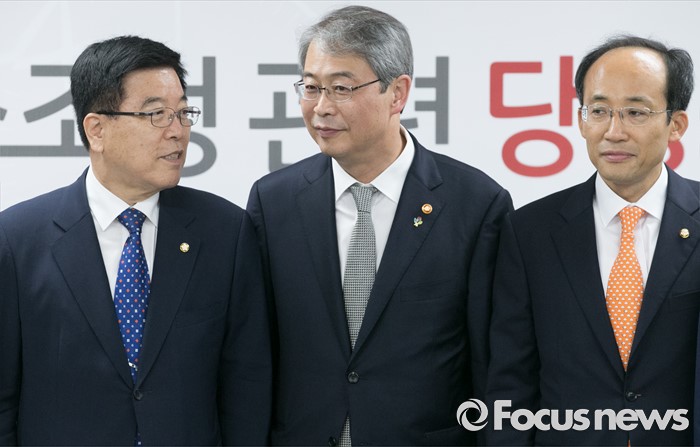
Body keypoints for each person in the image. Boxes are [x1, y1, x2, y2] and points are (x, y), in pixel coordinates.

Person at [246, 5, 512, 446]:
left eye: (341, 88)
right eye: (310, 87)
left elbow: (495, 365)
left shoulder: (476, 205)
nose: (321, 107)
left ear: (397, 93)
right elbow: (254, 356)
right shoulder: (273, 203)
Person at [0, 35, 271, 445]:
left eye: (183, 113)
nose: (178, 132)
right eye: (156, 114)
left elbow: (246, 386)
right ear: (97, 130)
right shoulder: (18, 240)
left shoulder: (225, 232)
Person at [485, 35, 697, 445]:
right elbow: (511, 383)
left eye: (635, 112)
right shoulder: (530, 232)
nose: (613, 132)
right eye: (598, 111)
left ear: (676, 125)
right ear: (581, 120)